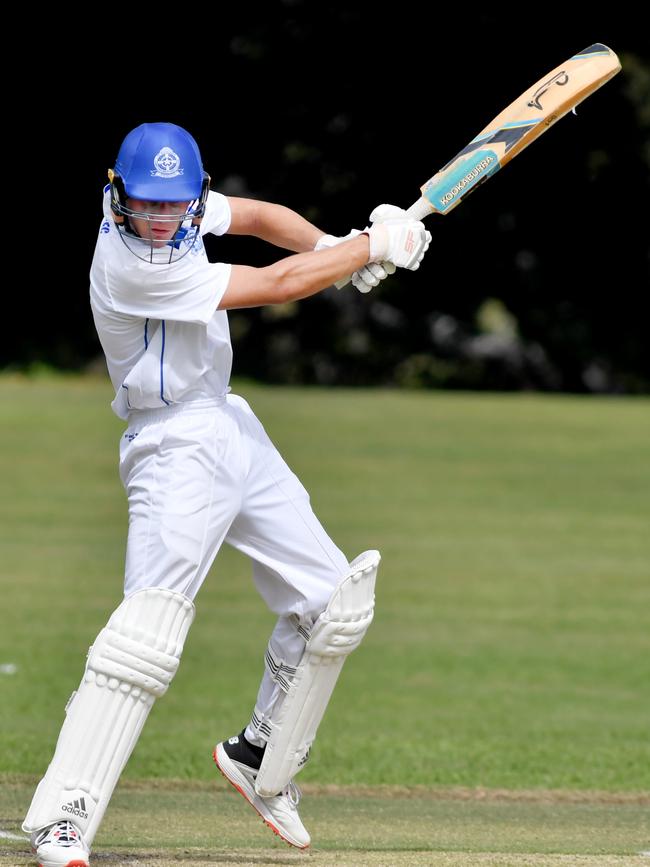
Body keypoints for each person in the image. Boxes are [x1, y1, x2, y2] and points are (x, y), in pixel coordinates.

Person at [23, 122, 431, 867]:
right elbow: (273, 286)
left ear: (193, 196)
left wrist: (332, 246)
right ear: (114, 193)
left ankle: (259, 752)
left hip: (227, 420)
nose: (157, 219)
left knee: (333, 603)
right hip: (171, 445)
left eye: (172, 206)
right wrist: (366, 249)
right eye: (143, 203)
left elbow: (264, 222)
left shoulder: (183, 213)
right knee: (145, 637)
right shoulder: (129, 263)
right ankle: (63, 818)